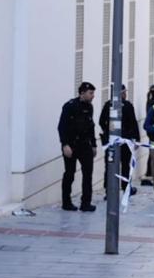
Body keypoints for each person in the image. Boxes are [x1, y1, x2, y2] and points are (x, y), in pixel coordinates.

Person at [58, 82, 98, 212]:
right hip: (71, 145)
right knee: (69, 174)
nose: (93, 96)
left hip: (85, 145)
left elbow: (91, 126)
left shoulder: (89, 107)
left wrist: (94, 144)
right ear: (82, 93)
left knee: (88, 174)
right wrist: (64, 145)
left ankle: (86, 203)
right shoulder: (70, 106)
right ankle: (66, 202)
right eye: (90, 93)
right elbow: (61, 127)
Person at [99, 85, 140, 196]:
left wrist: (108, 132)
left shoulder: (109, 105)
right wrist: (135, 138)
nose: (125, 94)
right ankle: (124, 188)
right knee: (122, 165)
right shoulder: (125, 105)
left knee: (112, 165)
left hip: (114, 141)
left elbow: (101, 122)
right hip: (123, 140)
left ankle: (111, 190)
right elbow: (133, 123)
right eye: (123, 92)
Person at [142, 84, 154, 184]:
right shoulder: (152, 103)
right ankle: (150, 173)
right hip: (153, 130)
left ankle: (152, 172)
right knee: (153, 153)